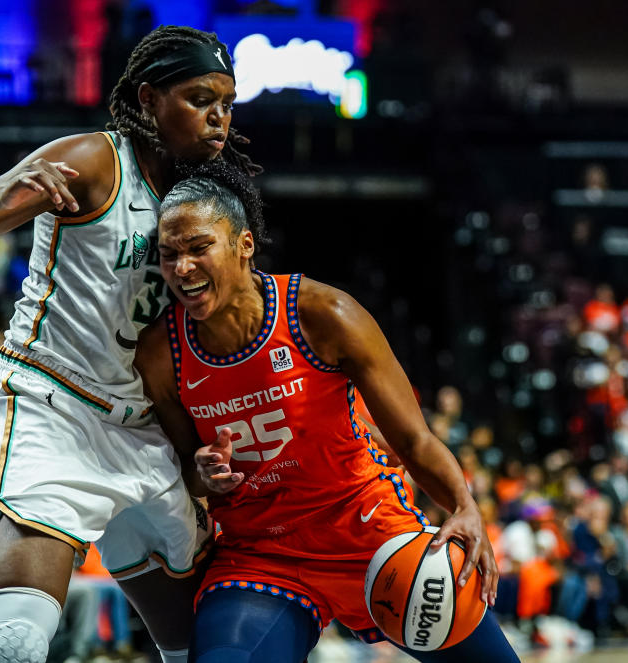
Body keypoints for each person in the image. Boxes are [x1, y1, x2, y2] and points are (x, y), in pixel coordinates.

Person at [0, 26, 259, 663]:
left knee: (207, 650)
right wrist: (0, 192)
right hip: (53, 409)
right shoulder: (97, 160)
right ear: (150, 99)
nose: (218, 119)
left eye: (227, 104)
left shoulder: (201, 207)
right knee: (13, 644)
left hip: (141, 428)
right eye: (200, 98)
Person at [134, 164, 518, 663]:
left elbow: (414, 440)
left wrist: (464, 506)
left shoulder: (325, 315)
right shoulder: (160, 353)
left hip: (368, 529)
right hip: (262, 554)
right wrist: (205, 473)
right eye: (169, 255)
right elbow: (190, 471)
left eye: (198, 247)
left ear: (244, 245)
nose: (182, 267)